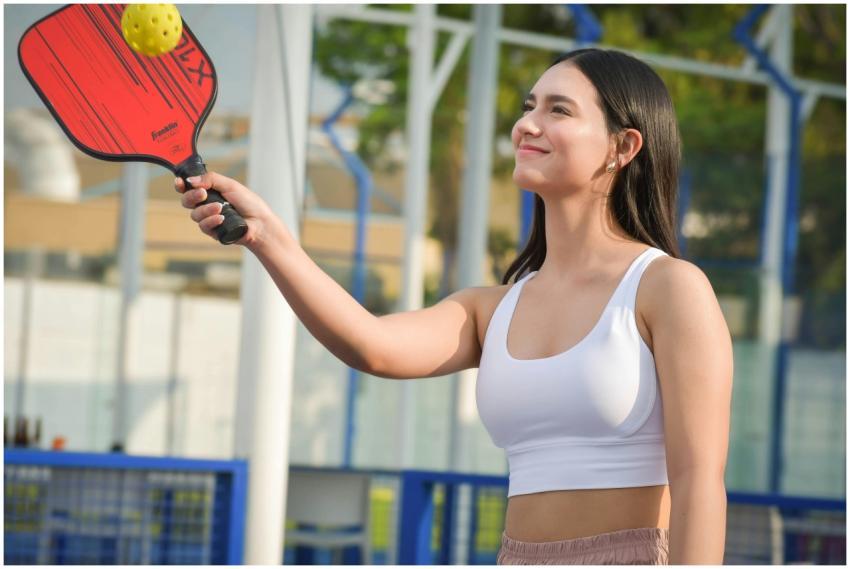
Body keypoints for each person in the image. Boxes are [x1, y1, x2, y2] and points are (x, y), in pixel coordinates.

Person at [176, 47, 733, 565]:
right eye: (528, 106)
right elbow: (370, 345)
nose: (527, 125)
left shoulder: (668, 288)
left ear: (623, 146)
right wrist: (268, 236)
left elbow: (699, 480)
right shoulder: (491, 309)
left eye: (559, 110)